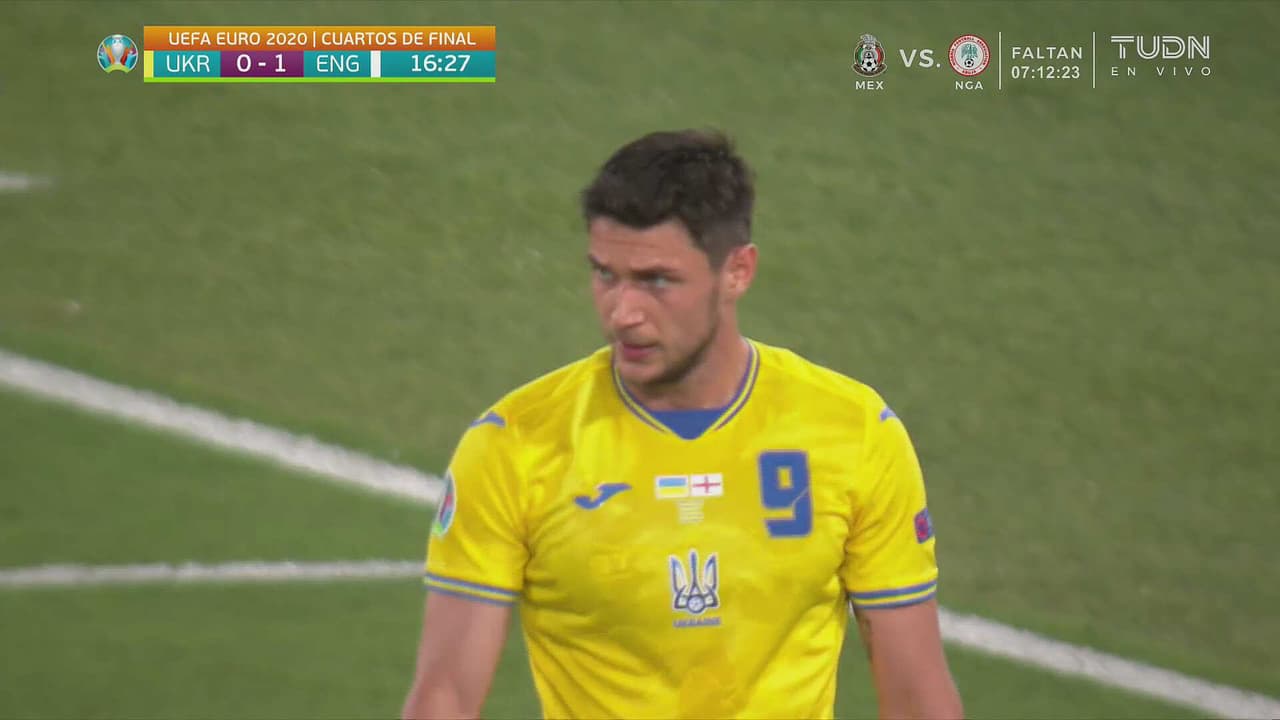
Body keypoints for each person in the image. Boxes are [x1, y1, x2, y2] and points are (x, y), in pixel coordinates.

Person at [402, 129, 963, 720]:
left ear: (737, 271)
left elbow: (917, 695)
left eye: (656, 281)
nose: (623, 313)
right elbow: (445, 698)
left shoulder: (852, 432)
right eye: (605, 275)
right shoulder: (516, 445)